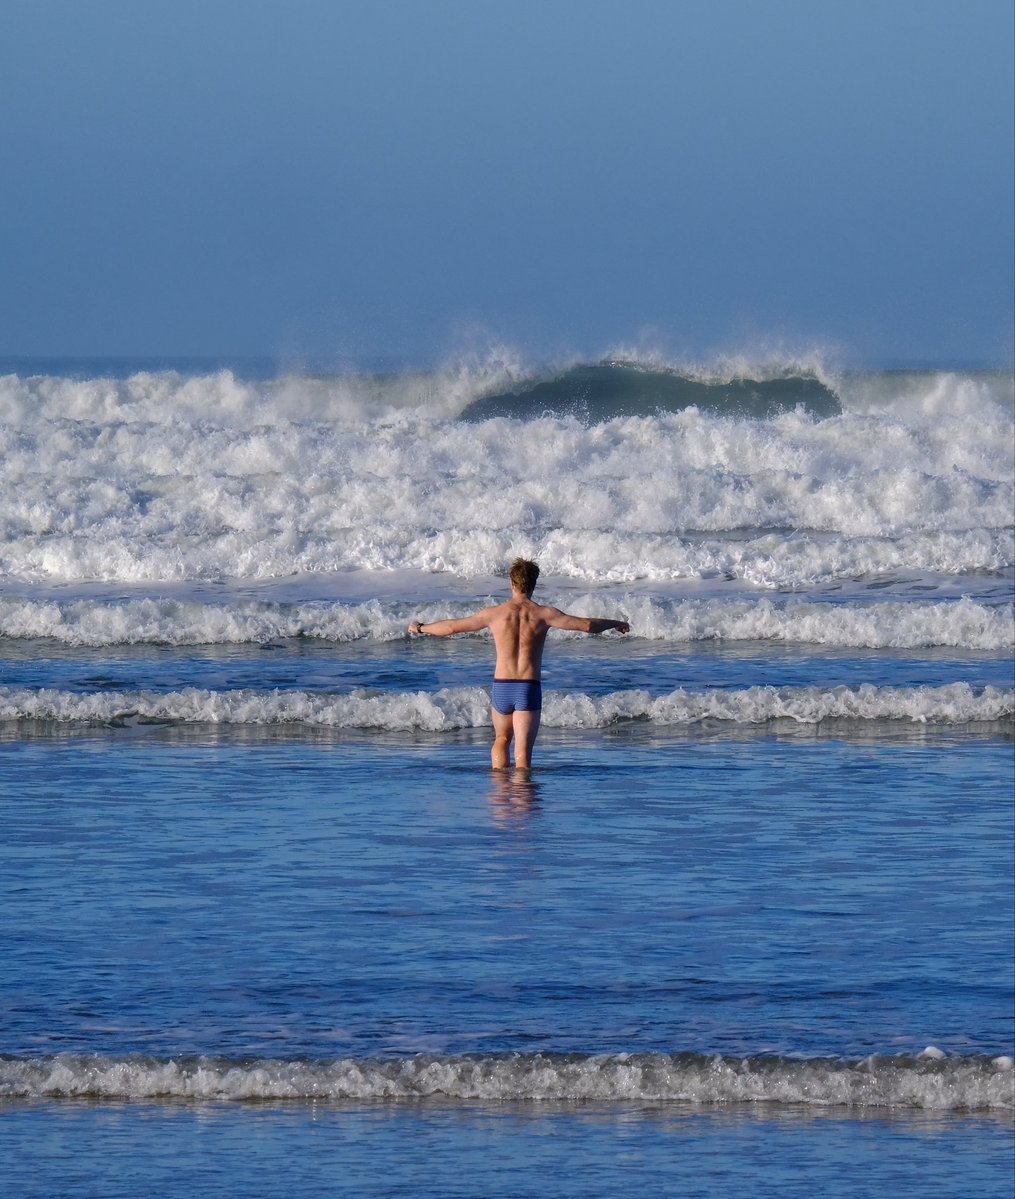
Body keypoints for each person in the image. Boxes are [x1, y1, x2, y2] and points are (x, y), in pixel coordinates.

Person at [408, 558, 629, 769]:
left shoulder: (494, 614)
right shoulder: (544, 614)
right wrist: (615, 622)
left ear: (511, 582)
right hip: (527, 687)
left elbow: (452, 627)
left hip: (502, 686)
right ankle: (523, 801)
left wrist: (421, 627)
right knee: (523, 751)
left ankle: (501, 795)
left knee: (502, 739)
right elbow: (587, 625)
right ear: (534, 583)